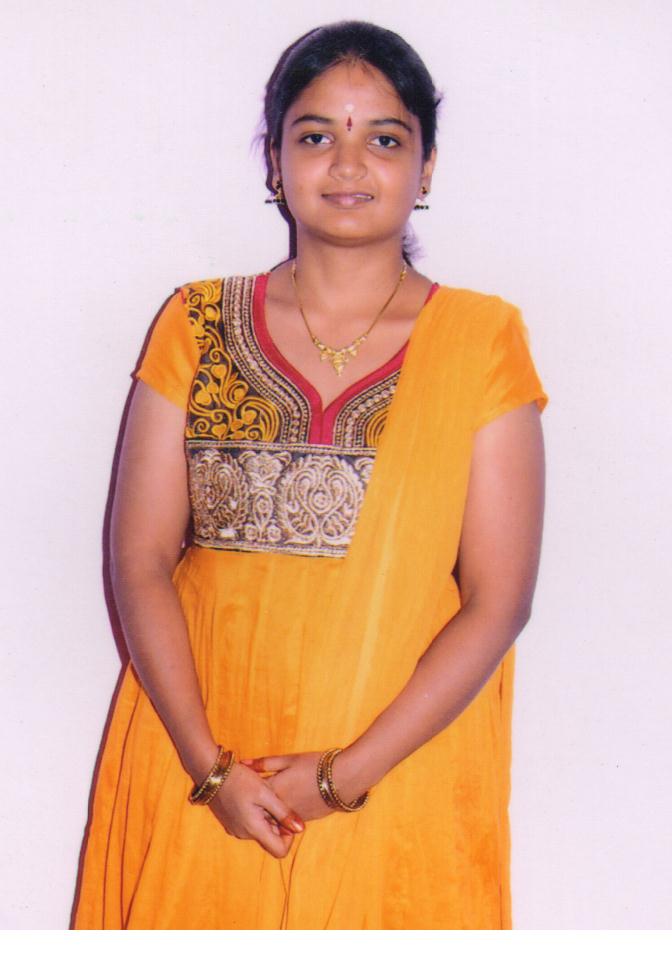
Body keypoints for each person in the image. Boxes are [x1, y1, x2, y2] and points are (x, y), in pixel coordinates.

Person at [72, 20, 548, 930]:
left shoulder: (481, 341)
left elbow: (498, 601)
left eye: (386, 139)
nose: (348, 164)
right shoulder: (196, 323)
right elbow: (139, 560)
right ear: (275, 160)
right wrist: (209, 768)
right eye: (317, 134)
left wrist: (343, 777)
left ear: (427, 167)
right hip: (201, 761)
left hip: (396, 772)